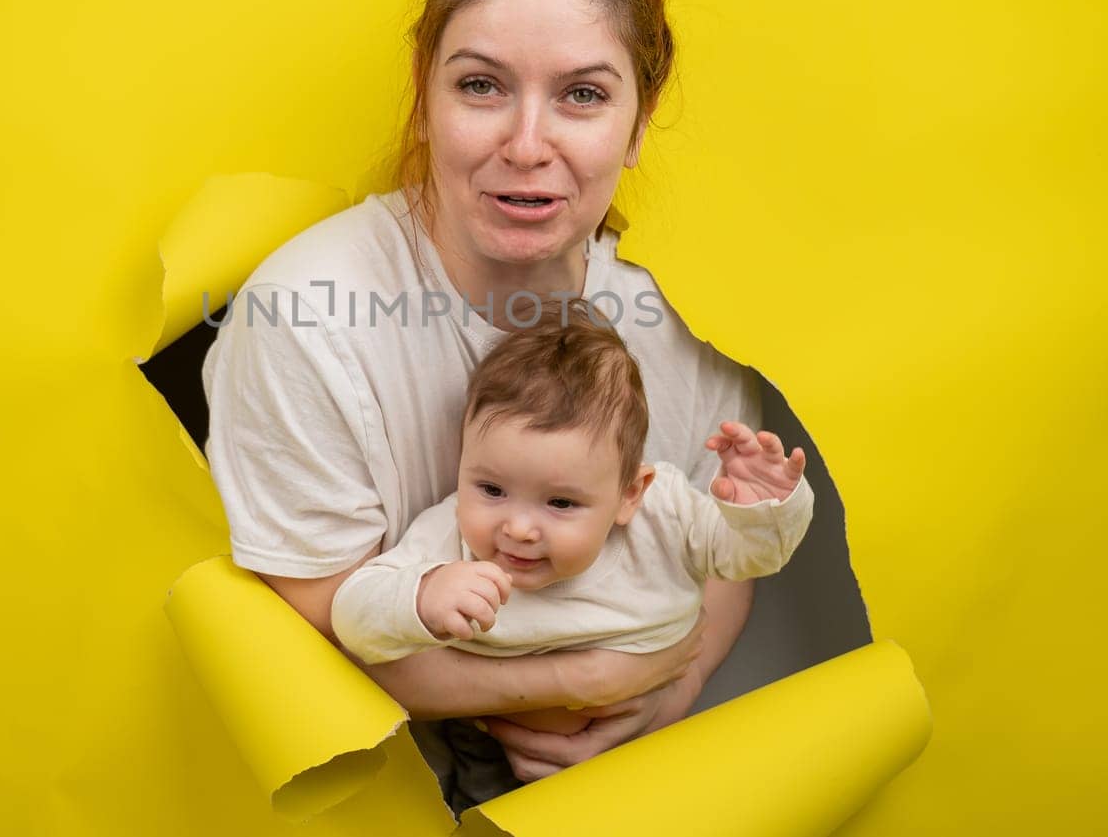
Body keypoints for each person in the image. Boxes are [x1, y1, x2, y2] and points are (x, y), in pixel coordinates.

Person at [202, 0, 772, 797]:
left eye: (582, 96)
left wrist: (673, 691)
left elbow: (730, 541)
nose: (526, 144)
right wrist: (599, 674)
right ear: (423, 94)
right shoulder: (301, 320)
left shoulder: (680, 321)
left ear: (637, 124)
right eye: (480, 86)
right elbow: (313, 631)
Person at [329, 301, 813, 812]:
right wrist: (421, 596)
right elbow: (351, 618)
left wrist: (763, 509)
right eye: (491, 489)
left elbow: (746, 558)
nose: (517, 527)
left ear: (631, 493)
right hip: (499, 753)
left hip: (649, 737)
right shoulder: (450, 539)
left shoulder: (665, 514)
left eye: (560, 503)